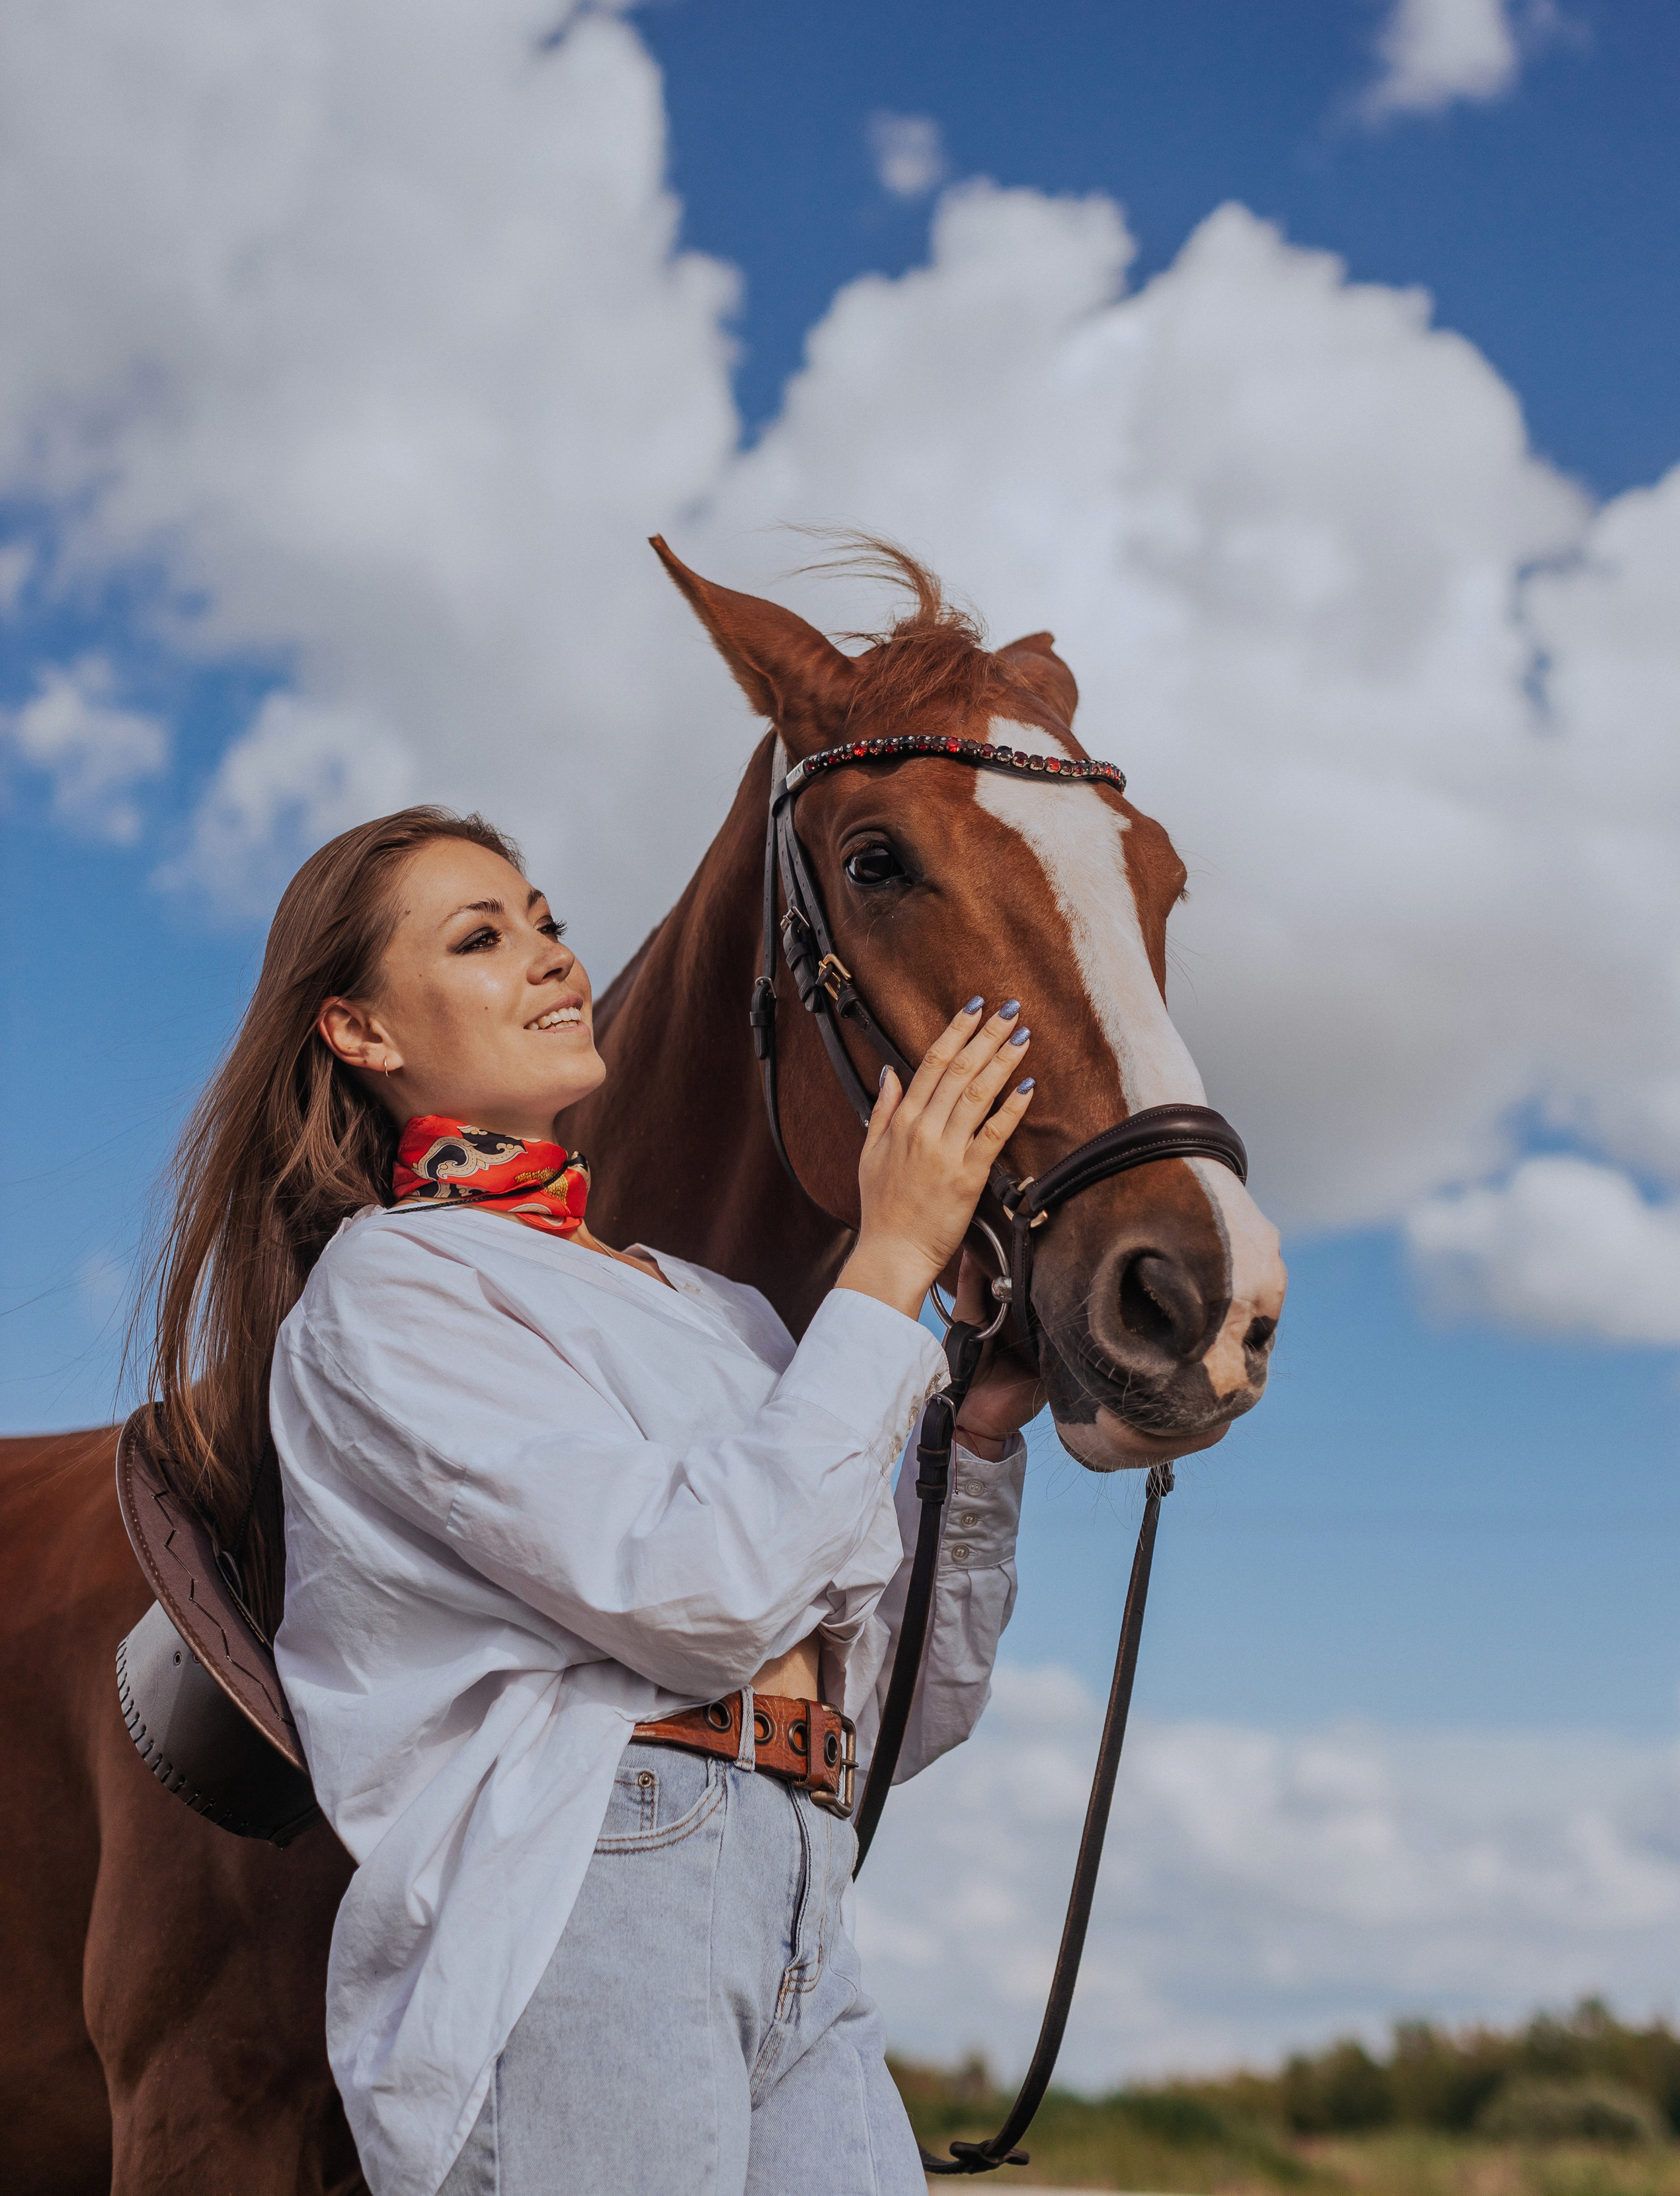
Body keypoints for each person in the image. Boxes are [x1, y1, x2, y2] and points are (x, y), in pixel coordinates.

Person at [146, 804, 1043, 2196]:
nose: (551, 958)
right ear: (360, 1034)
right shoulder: (394, 1291)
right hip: (597, 1878)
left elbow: (895, 1719)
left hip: (801, 1871)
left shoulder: (724, 1316)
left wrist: (975, 1443)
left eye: (548, 922)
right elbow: (703, 1596)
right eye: (480, 937)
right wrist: (890, 1263)